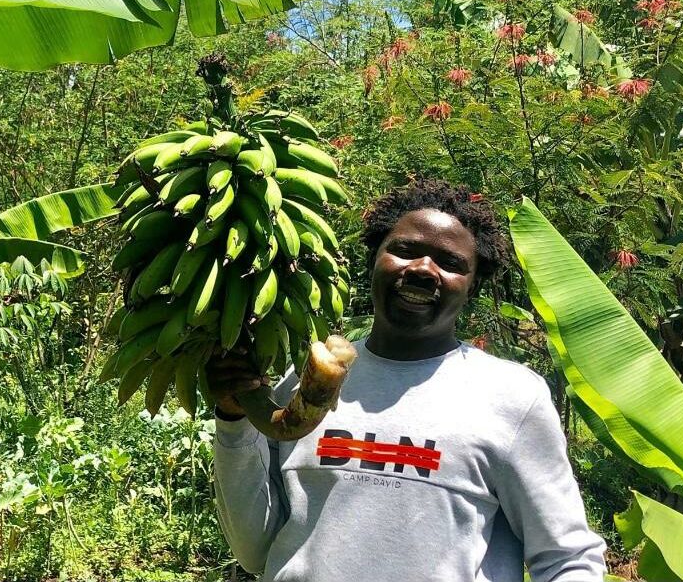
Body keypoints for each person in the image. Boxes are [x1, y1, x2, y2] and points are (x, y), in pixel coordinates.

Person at [207, 178, 607, 581]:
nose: (423, 269)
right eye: (405, 250)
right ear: (373, 260)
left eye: (450, 263)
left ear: (473, 287)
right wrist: (232, 420)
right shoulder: (305, 383)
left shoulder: (511, 398)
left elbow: (567, 558)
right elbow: (254, 551)